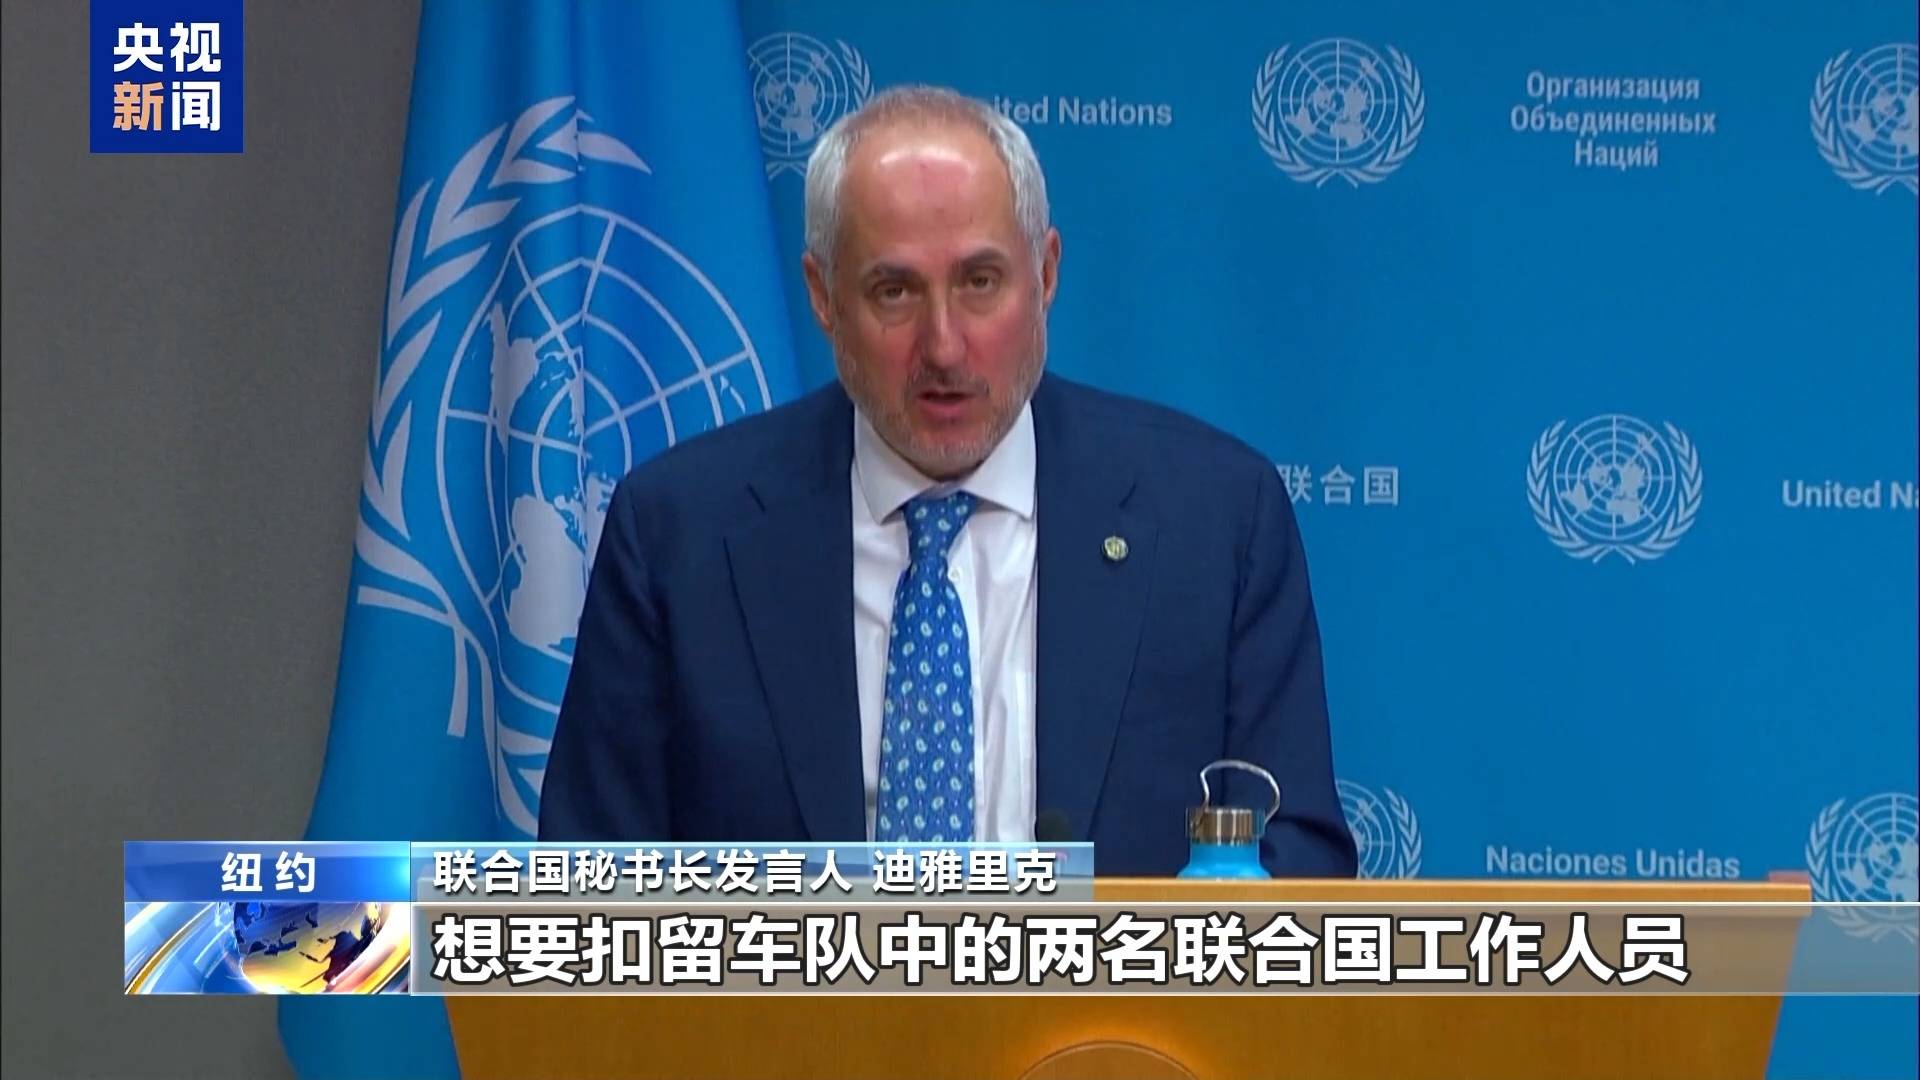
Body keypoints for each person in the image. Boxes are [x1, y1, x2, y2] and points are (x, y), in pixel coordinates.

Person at [538, 85, 1356, 877]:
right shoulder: (679, 535)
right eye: (894, 291)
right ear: (824, 297)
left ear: (1046, 275)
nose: (944, 347)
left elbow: (1299, 869)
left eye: (980, 282)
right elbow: (584, 891)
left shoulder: (1213, 520)